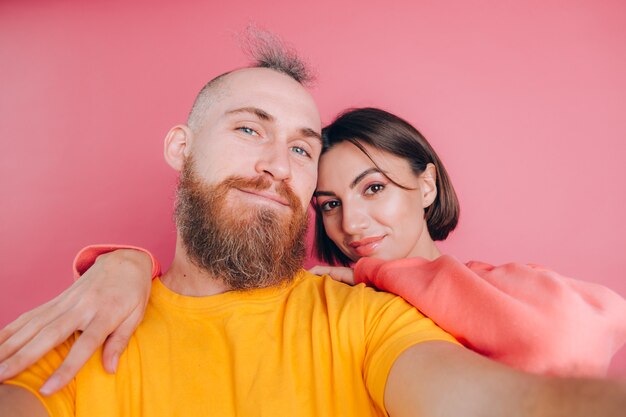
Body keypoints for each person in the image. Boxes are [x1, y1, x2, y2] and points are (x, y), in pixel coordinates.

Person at [1, 38, 626, 416]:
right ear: (179, 146)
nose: (278, 164)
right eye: (250, 129)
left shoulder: (365, 313)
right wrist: (123, 264)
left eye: (301, 149)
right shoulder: (81, 328)